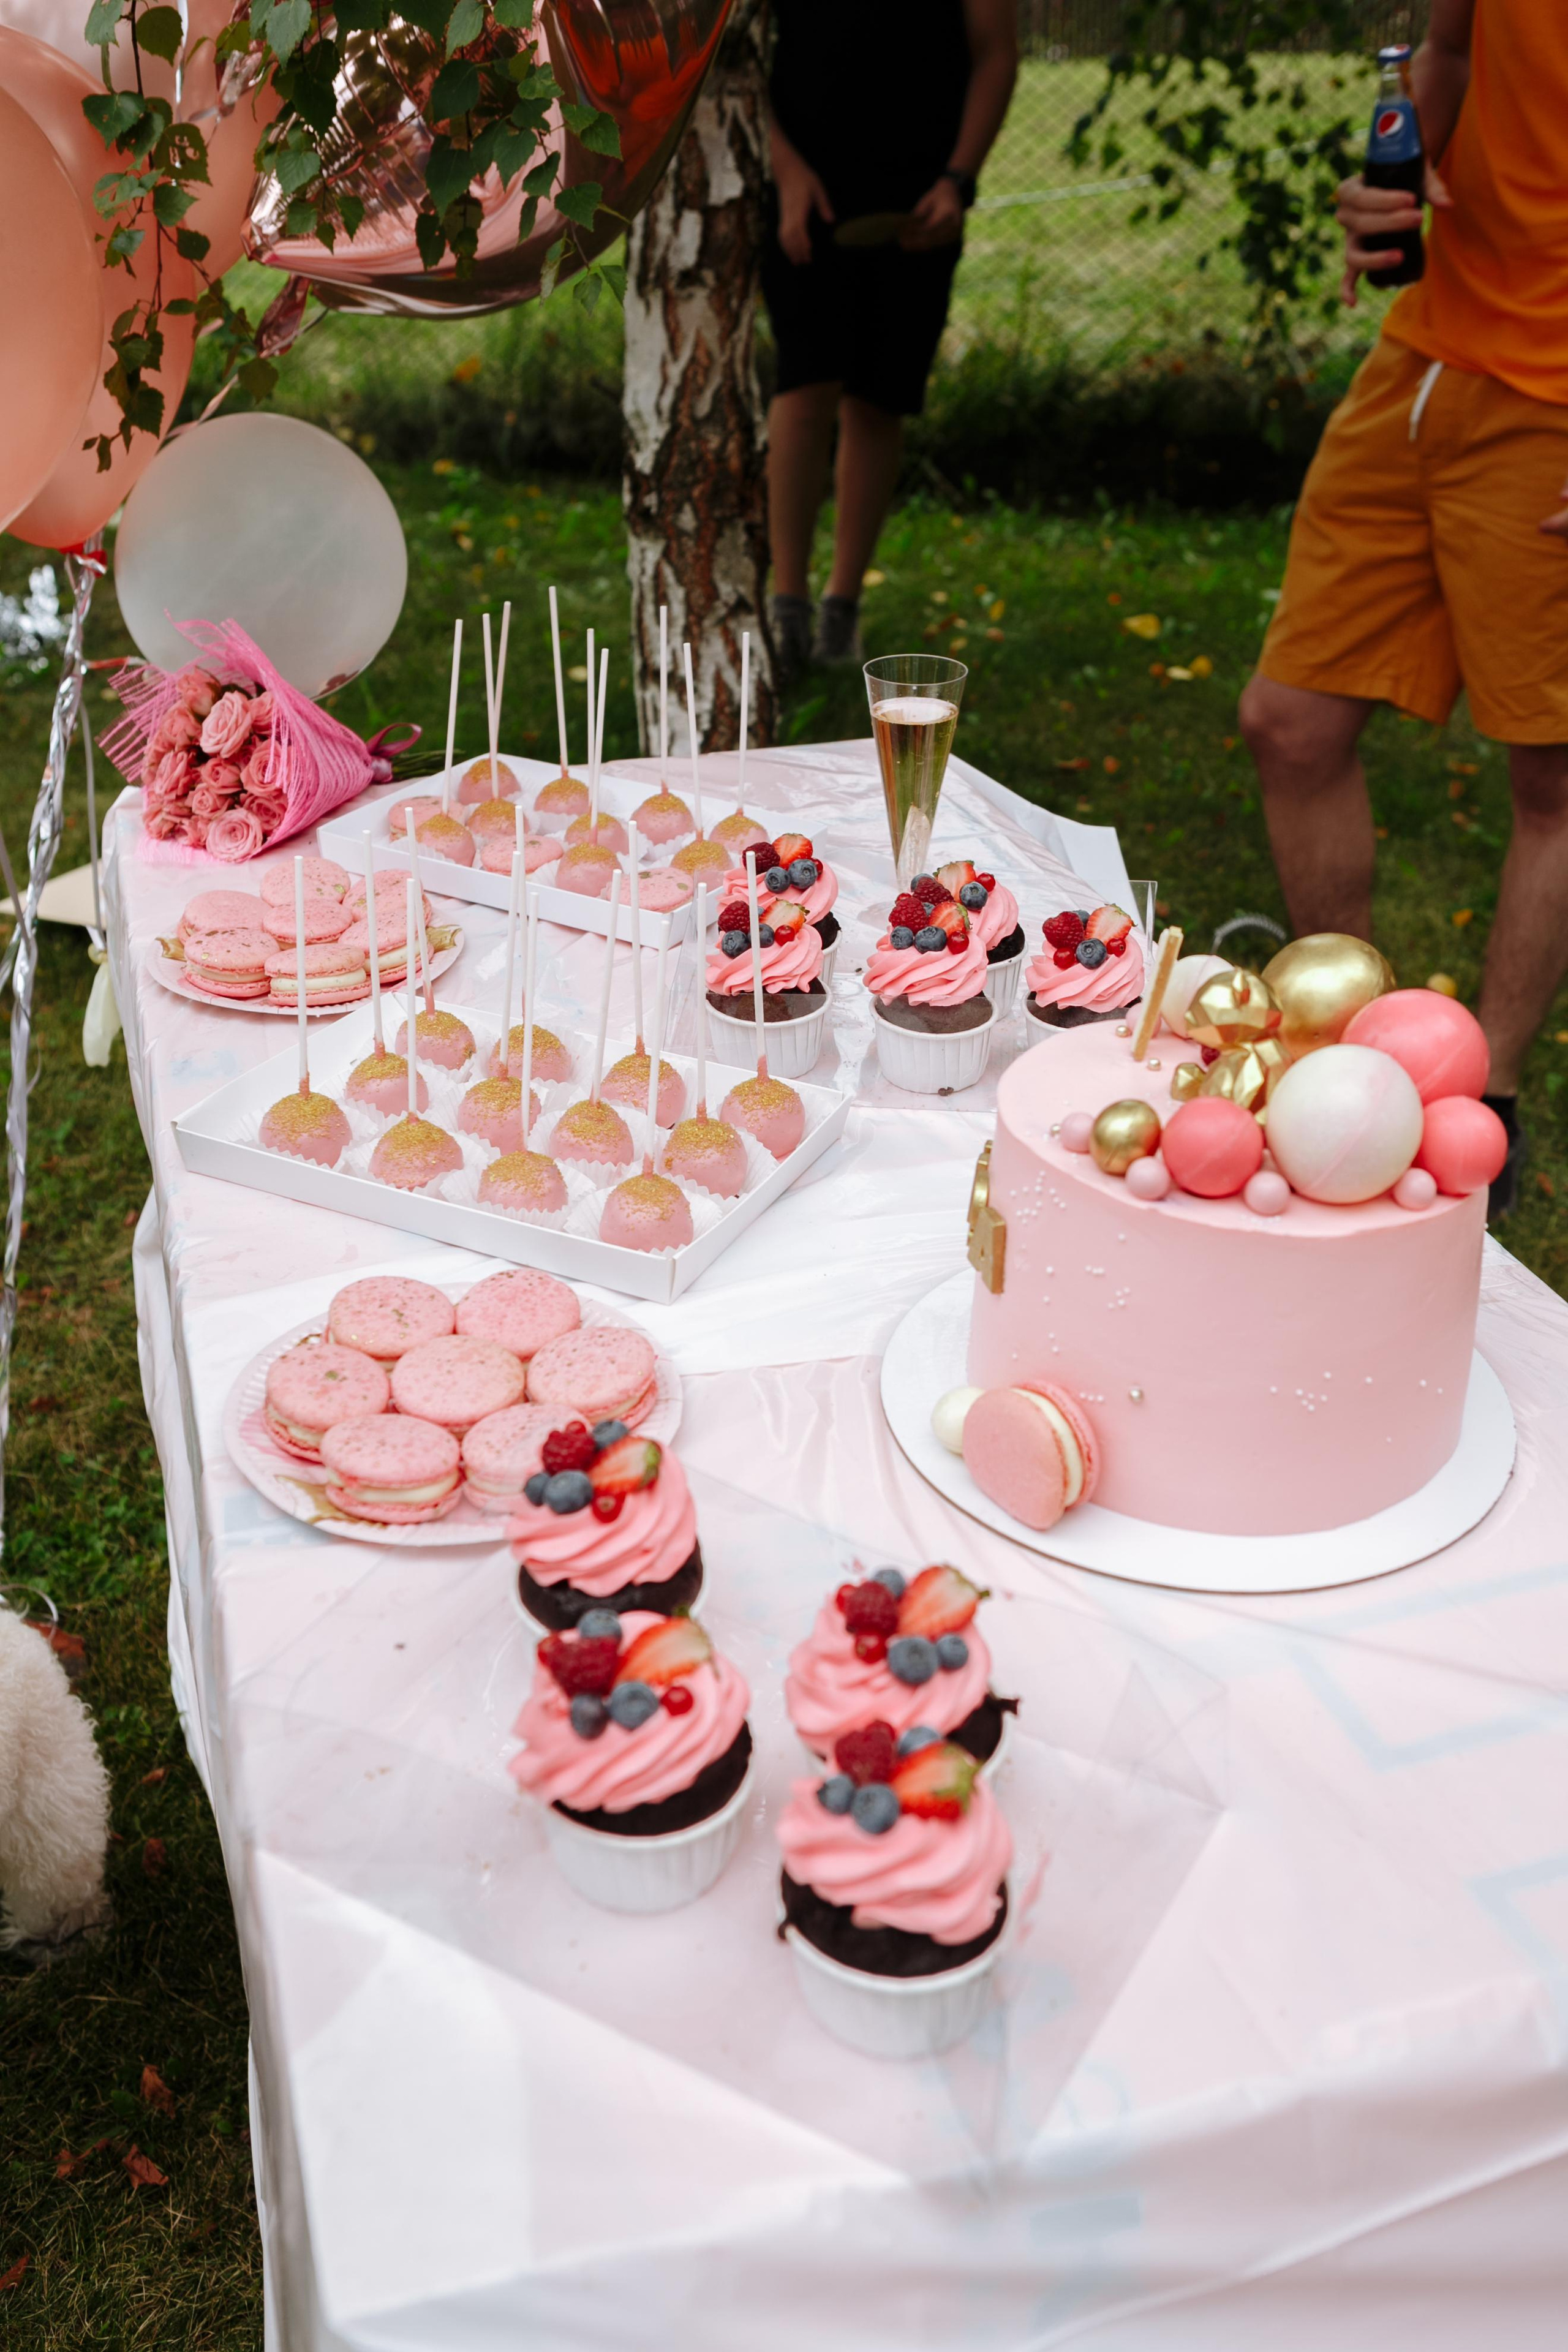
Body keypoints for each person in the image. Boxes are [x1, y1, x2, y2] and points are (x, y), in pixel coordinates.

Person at [1238, 0, 1568, 1218]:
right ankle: (1350, 1059)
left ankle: (1486, 1100)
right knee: (1289, 722)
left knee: (1551, 782)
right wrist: (1395, 171)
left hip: (1553, 397)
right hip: (1423, 358)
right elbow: (1455, 49)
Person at [762, 0, 1017, 674]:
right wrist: (782, 169)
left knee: (881, 397)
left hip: (919, 201)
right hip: (803, 192)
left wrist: (958, 181)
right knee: (804, 381)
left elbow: (996, 54)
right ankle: (785, 608)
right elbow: (730, 62)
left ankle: (839, 612)